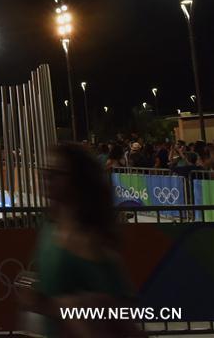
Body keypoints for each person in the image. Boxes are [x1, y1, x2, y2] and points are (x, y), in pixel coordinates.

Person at [18, 143, 140, 337]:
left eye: (55, 173)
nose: (45, 178)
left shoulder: (89, 242)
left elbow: (119, 313)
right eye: (44, 171)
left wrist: (53, 306)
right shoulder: (50, 227)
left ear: (76, 181)